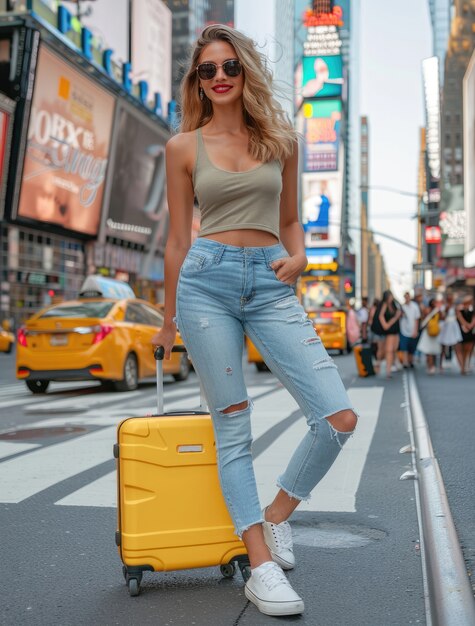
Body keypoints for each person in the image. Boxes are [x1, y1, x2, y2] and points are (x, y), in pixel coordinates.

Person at [151, 24, 358, 618]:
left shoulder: (282, 142)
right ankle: (259, 566)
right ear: (197, 82)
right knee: (234, 429)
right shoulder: (182, 147)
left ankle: (276, 518)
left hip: (271, 283)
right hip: (205, 282)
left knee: (337, 415)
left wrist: (302, 257)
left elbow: (291, 220)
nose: (218, 77)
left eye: (229, 67)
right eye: (206, 70)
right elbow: (174, 242)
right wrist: (167, 322)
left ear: (246, 75)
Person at [378, 290, 402, 379]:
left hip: (395, 331)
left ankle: (394, 364)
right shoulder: (385, 305)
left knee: (394, 349)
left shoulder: (394, 305)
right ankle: (388, 370)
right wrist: (386, 325)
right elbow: (380, 316)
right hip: (390, 331)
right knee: (389, 351)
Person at [438, 291, 462, 373]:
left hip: (454, 327)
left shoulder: (455, 307)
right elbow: (442, 317)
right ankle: (440, 366)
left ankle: (461, 367)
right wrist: (446, 310)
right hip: (446, 327)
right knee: (443, 347)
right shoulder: (443, 307)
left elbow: (458, 316)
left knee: (457, 347)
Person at [417, 298, 442, 374]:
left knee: (431, 351)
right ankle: (431, 366)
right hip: (428, 332)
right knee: (429, 351)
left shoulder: (437, 311)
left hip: (433, 332)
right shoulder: (430, 310)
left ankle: (431, 366)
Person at [399, 291, 421, 369]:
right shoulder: (402, 307)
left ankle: (410, 361)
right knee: (404, 347)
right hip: (404, 330)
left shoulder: (415, 306)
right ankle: (405, 362)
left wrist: (415, 330)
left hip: (412, 330)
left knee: (411, 348)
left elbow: (417, 319)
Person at [456, 294, 475, 375]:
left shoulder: (473, 310)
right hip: (462, 331)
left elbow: (473, 320)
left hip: (469, 332)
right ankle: (463, 367)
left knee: (468, 349)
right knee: (462, 350)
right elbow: (460, 318)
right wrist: (467, 325)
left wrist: (469, 326)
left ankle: (465, 365)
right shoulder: (460, 309)